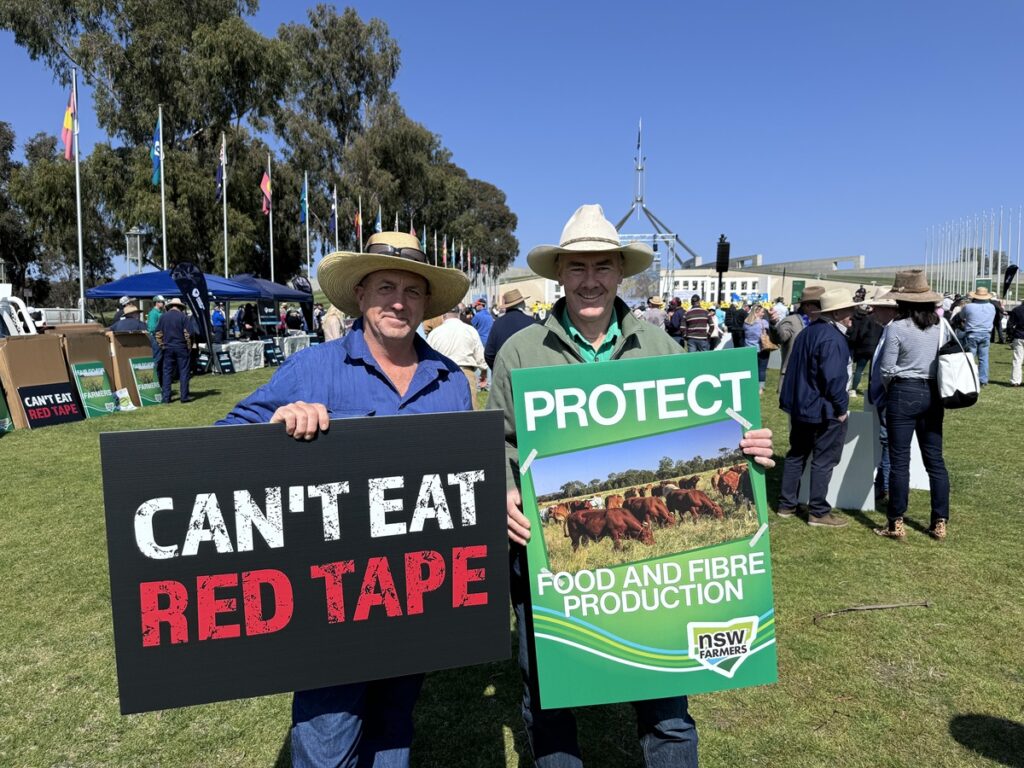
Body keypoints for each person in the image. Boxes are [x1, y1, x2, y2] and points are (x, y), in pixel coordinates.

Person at [488, 204, 775, 768]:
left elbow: (707, 425)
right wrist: (502, 486)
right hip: (546, 567)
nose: (590, 280)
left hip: (659, 583)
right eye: (577, 268)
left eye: (602, 266)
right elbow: (496, 441)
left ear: (621, 272)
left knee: (668, 711)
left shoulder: (662, 348)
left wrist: (748, 445)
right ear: (559, 275)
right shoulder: (519, 353)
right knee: (548, 705)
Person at [217, 231, 471, 767]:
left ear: (427, 303)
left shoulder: (451, 382)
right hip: (330, 601)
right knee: (328, 736)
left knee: (394, 729)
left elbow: (463, 480)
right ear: (360, 294)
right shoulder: (314, 367)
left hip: (415, 594)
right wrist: (279, 423)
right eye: (385, 287)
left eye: (412, 291)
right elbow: (223, 439)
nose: (398, 302)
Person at [874, 270, 950, 540]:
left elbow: (886, 369)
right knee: (935, 461)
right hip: (933, 391)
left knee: (899, 462)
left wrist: (891, 389)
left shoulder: (896, 327)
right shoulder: (941, 326)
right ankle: (940, 521)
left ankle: (896, 522)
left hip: (902, 390)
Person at [777, 288, 857, 527]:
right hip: (823, 408)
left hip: (803, 406)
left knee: (796, 455)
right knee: (824, 459)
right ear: (837, 312)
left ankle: (787, 504)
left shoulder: (808, 332)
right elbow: (833, 379)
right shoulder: (832, 338)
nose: (853, 313)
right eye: (849, 309)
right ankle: (819, 512)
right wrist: (841, 408)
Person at [864, 288, 900, 508]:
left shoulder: (895, 331)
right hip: (883, 395)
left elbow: (888, 368)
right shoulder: (887, 329)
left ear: (889, 310)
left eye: (877, 308)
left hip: (889, 395)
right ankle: (883, 484)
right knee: (887, 440)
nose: (873, 312)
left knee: (889, 441)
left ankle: (884, 485)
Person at [427, 307, 487, 408]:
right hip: (466, 372)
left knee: (446, 409)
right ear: (459, 314)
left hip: (443, 375)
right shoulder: (470, 330)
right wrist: (484, 372)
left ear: (443, 316)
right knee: (471, 410)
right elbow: (480, 354)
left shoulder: (434, 333)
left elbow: (428, 357)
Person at [768, 286, 824, 392]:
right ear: (807, 306)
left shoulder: (823, 323)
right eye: (819, 305)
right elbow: (779, 338)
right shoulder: (791, 321)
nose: (822, 308)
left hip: (816, 378)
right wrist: (774, 324)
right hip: (795, 377)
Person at [484, 288, 536, 369]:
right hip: (528, 372)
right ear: (522, 303)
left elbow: (489, 353)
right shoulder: (532, 322)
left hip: (504, 372)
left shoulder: (497, 323)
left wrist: (498, 370)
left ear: (507, 307)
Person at [155, 298, 192, 404]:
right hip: (181, 347)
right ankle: (184, 397)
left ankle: (166, 397)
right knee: (184, 372)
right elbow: (188, 334)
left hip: (168, 348)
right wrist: (188, 347)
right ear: (180, 306)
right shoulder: (184, 317)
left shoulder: (163, 317)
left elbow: (158, 333)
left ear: (170, 306)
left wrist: (162, 345)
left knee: (167, 372)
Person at [959, 286, 996, 385]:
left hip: (972, 333)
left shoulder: (969, 306)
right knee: (984, 358)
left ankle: (968, 378)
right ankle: (983, 380)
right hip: (986, 334)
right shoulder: (991, 307)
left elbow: (961, 316)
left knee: (970, 357)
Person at [846, 303, 882, 395]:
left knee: (859, 369)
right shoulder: (881, 319)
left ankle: (853, 389)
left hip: (865, 347)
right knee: (873, 371)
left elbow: (862, 332)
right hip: (876, 347)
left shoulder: (868, 318)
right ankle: (872, 390)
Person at [743, 304, 770, 395]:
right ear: (757, 312)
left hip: (749, 348)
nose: (763, 314)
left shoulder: (746, 323)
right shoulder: (764, 323)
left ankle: (750, 386)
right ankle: (760, 389)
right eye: (762, 312)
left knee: (751, 368)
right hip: (762, 348)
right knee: (761, 369)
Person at [147, 295, 166, 386]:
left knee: (161, 360)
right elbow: (151, 328)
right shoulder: (153, 313)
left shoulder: (160, 312)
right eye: (162, 302)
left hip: (161, 338)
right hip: (155, 338)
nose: (163, 303)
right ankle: (156, 382)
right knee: (157, 360)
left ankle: (161, 382)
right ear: (157, 303)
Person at [1008, 300, 1024, 386]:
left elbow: (1010, 324)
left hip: (1019, 335)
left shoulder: (1016, 310)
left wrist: (1011, 336)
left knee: (1017, 360)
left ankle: (1015, 381)